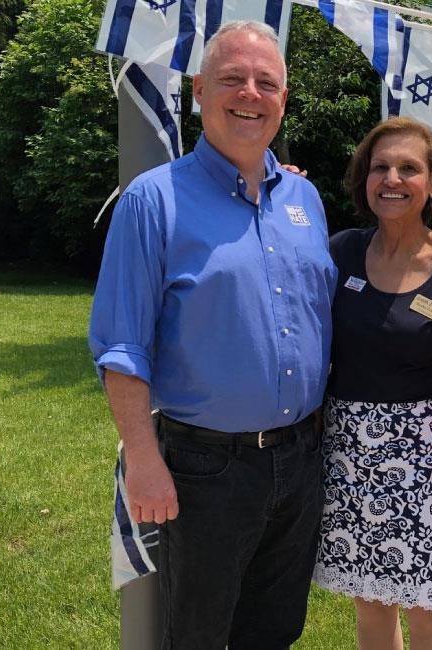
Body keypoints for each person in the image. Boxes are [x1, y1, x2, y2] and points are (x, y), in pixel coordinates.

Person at [88, 21, 335, 650]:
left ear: (283, 97)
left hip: (302, 457)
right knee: (195, 634)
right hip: (206, 468)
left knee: (274, 630)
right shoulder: (154, 200)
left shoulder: (304, 199)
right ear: (200, 91)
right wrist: (143, 460)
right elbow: (121, 345)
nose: (249, 93)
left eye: (266, 82)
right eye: (232, 79)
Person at [312, 116, 432, 650]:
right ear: (364, 179)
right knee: (370, 601)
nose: (392, 178)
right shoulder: (339, 252)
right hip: (347, 452)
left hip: (427, 458)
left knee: (429, 604)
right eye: (380, 167)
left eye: (408, 168)